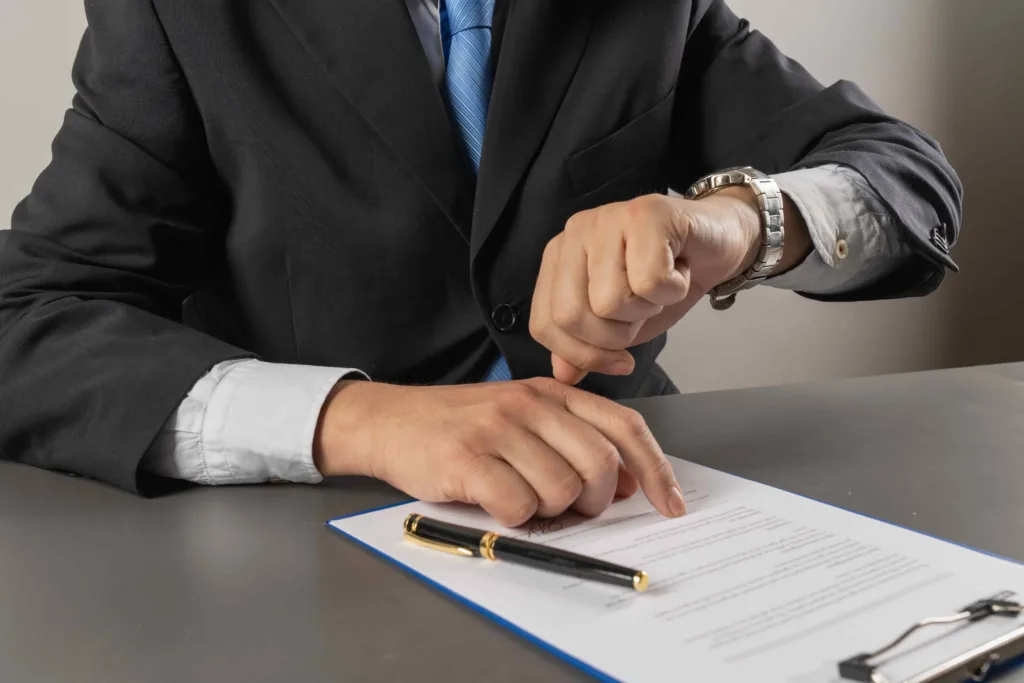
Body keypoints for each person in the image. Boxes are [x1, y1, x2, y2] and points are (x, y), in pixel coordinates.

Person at [0, 0, 961, 527]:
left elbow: (910, 182)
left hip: (638, 514)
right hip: (313, 537)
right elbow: (27, 317)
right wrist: (362, 420)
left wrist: (739, 222)